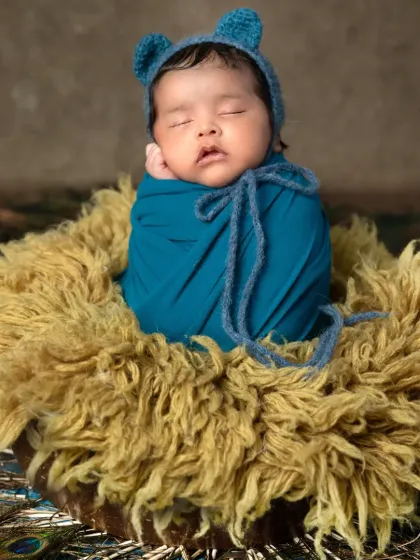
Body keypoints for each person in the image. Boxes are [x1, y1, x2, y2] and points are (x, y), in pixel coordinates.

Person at [117, 8, 369, 369]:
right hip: (164, 360)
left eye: (232, 112)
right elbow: (145, 272)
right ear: (157, 145)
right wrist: (159, 189)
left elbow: (294, 298)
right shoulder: (156, 200)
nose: (205, 129)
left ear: (274, 130)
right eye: (181, 121)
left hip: (268, 359)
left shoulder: (289, 197)